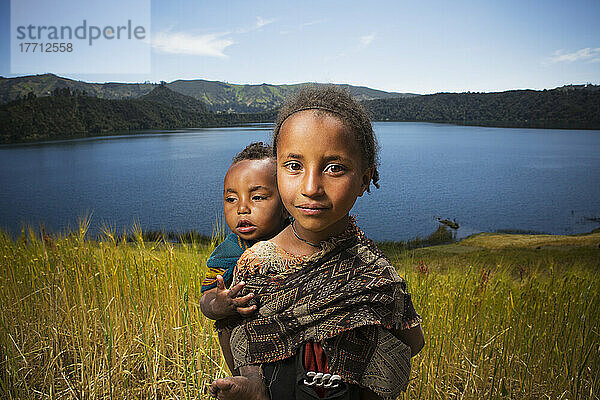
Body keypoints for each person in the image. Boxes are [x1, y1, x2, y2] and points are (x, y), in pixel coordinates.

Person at [210, 86, 424, 400]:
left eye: (334, 168)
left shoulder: (373, 271)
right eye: (294, 166)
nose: (311, 187)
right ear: (277, 172)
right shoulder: (257, 262)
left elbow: (411, 344)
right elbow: (238, 333)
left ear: (365, 179)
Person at [200, 142, 289, 372]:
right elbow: (206, 298)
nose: (242, 208)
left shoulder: (298, 237)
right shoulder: (229, 250)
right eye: (231, 199)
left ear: (286, 202)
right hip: (246, 352)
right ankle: (248, 385)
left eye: (257, 197)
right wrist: (219, 304)